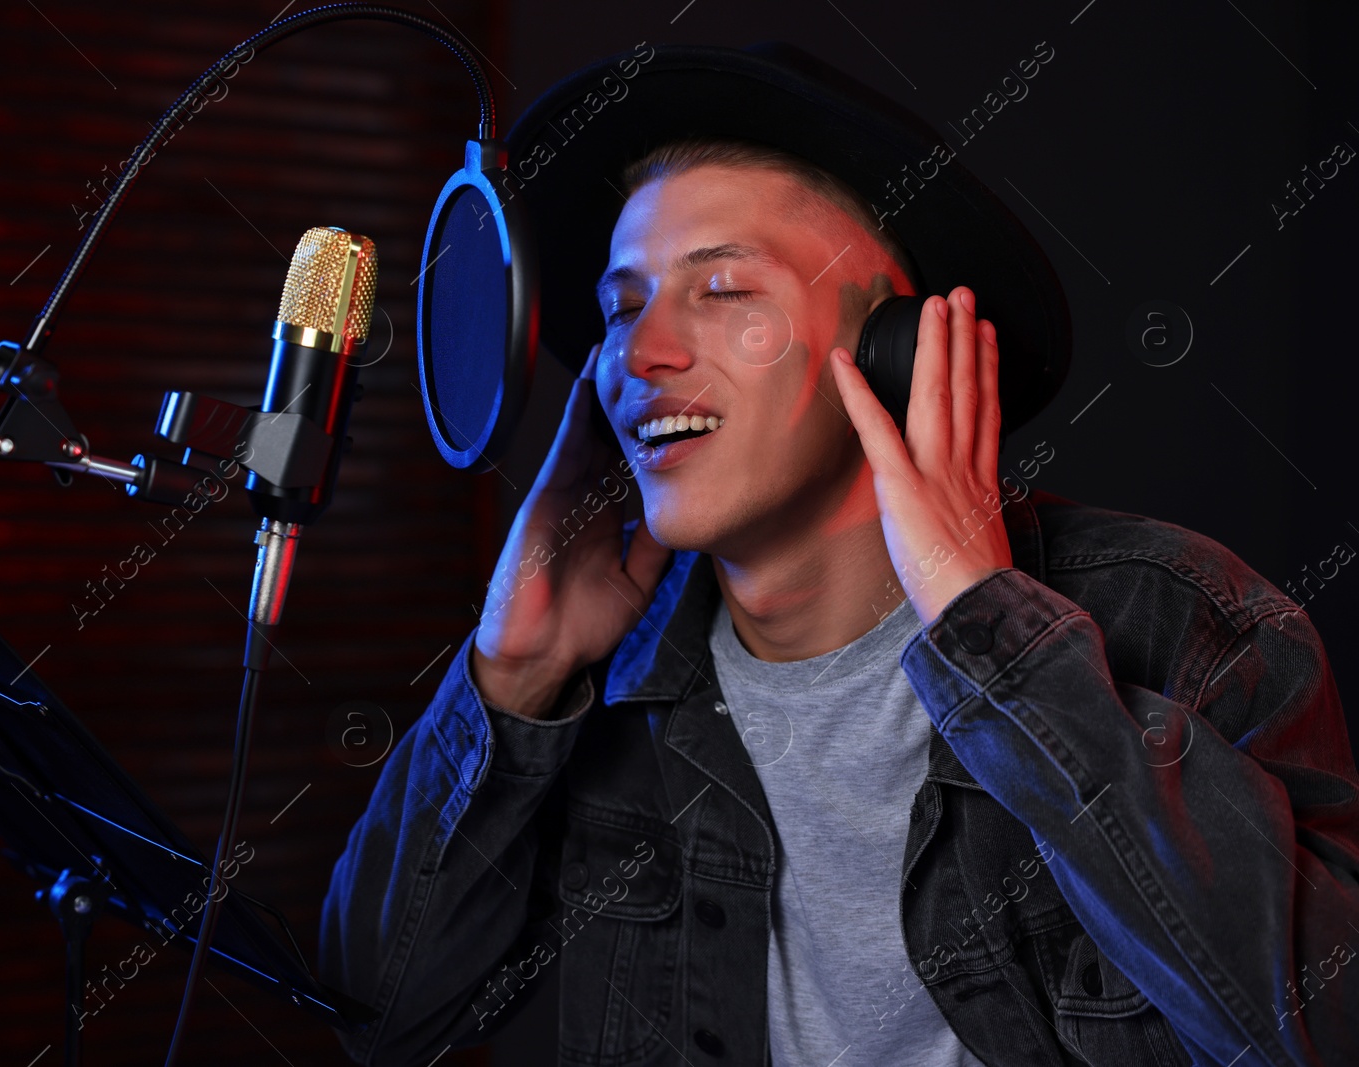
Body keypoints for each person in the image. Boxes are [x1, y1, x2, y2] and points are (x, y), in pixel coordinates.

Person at [321, 43, 1359, 1067]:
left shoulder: (1188, 624)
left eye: (721, 288)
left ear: (894, 345)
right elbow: (380, 1015)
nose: (642, 353)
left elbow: (1317, 1031)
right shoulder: (603, 676)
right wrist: (510, 677)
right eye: (621, 306)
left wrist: (990, 639)